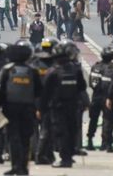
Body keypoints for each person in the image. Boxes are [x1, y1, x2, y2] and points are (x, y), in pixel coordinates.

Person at [0, 41, 42, 175]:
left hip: (10, 110)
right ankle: (24, 168)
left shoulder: (7, 70)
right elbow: (39, 91)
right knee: (25, 139)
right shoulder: (32, 71)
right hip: (28, 109)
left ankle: (15, 166)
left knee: (13, 139)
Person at [41, 40, 87, 168]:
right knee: (72, 130)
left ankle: (65, 159)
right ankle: (69, 156)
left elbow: (45, 92)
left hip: (58, 107)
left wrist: (41, 108)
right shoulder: (76, 70)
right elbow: (82, 87)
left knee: (61, 132)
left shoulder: (52, 71)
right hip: (73, 106)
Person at [31, 37, 58, 165]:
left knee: (35, 129)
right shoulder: (55, 65)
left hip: (34, 100)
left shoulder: (34, 64)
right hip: (48, 101)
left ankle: (37, 153)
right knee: (47, 129)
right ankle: (43, 154)